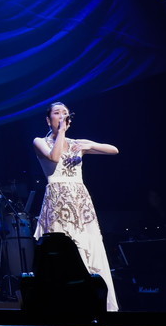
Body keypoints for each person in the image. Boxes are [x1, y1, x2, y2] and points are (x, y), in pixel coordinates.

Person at [32, 101, 119, 311]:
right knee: (63, 249)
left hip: (80, 201)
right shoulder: (40, 141)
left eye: (65, 112)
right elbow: (54, 157)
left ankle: (97, 304)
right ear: (48, 120)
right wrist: (61, 132)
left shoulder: (77, 143)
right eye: (57, 113)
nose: (62, 115)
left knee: (89, 246)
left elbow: (114, 150)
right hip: (57, 201)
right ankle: (64, 304)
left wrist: (89, 146)